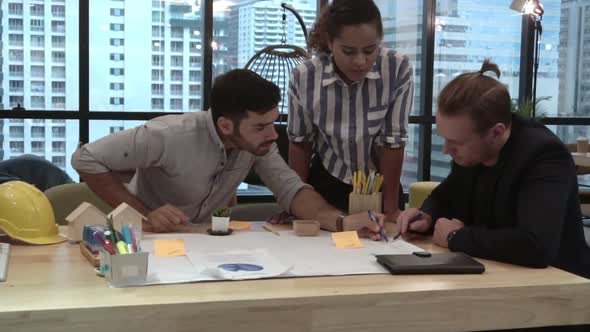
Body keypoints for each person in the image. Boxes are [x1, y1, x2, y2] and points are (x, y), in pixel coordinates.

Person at [72, 69, 384, 238]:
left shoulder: (256, 146)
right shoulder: (167, 135)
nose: (273, 135)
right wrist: (143, 212)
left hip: (204, 243)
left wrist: (344, 222)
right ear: (225, 124)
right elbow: (85, 158)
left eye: (273, 123)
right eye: (261, 126)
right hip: (147, 242)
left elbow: (292, 189)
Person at [397, 59, 590, 279]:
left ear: (496, 132)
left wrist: (455, 237)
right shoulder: (474, 151)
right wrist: (426, 215)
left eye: (456, 143)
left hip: (560, 287)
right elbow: (446, 195)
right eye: (445, 139)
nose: (447, 150)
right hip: (496, 275)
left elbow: (536, 245)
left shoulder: (543, 156)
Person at [286, 0, 413, 221]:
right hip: (326, 183)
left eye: (369, 50)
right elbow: (300, 143)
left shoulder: (396, 68)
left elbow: (393, 142)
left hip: (381, 184)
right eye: (348, 51)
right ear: (329, 42)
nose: (360, 61)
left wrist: (391, 209)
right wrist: (296, 205)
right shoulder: (305, 77)